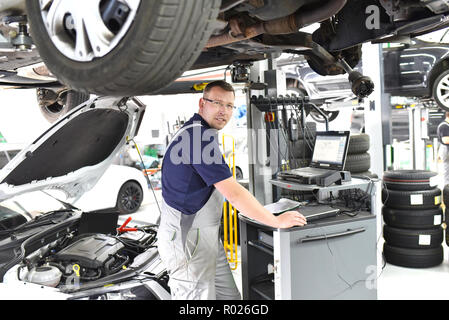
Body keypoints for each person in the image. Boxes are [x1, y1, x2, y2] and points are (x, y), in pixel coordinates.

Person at [157, 80, 307, 300]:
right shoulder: (197, 137)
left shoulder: (199, 132)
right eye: (217, 103)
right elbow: (233, 192)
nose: (223, 111)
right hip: (188, 238)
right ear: (202, 103)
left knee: (230, 298)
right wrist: (275, 221)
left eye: (229, 106)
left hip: (205, 236)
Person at [437, 111, 449, 185]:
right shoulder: (444, 126)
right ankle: (447, 192)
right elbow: (446, 140)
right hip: (446, 151)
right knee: (447, 173)